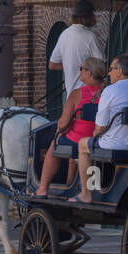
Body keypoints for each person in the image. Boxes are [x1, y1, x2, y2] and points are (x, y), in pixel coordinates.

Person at [71, 53, 128, 203]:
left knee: (83, 144)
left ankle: (85, 193)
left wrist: (95, 136)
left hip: (115, 144)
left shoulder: (110, 91)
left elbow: (100, 127)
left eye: (112, 69)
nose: (108, 73)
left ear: (120, 71)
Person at [35, 56, 106, 197]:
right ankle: (73, 183)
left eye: (81, 68)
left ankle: (42, 189)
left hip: (78, 140)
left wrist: (60, 132)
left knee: (53, 145)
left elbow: (62, 125)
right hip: (101, 140)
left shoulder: (77, 94)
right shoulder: (107, 92)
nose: (79, 71)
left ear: (88, 73)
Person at [48, 0, 101, 99]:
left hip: (71, 97)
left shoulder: (64, 34)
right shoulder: (90, 36)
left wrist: (70, 66)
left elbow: (52, 65)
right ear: (89, 16)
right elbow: (102, 66)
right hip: (89, 96)